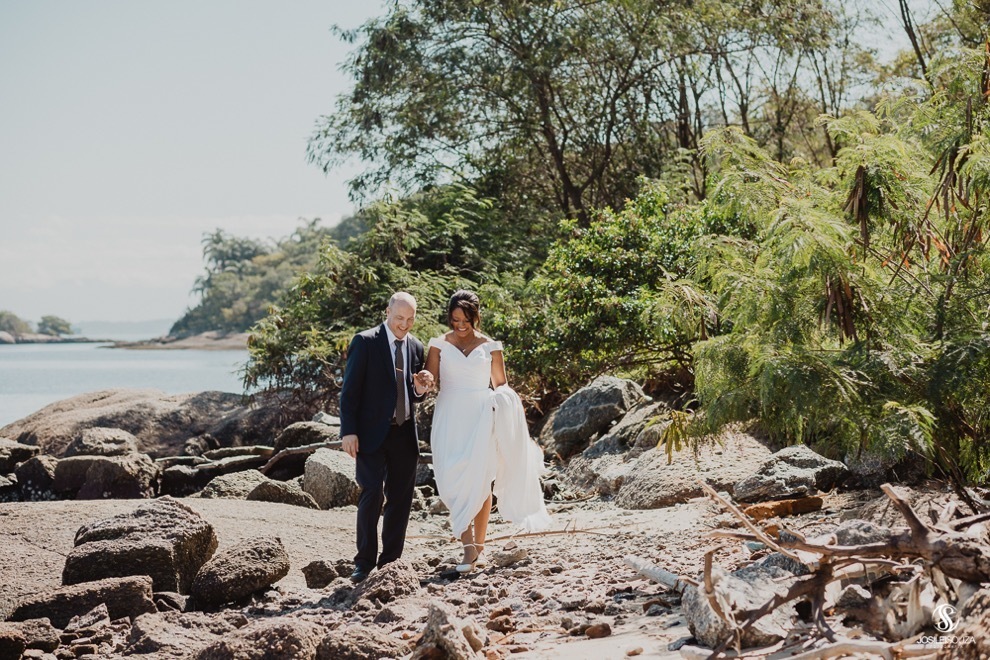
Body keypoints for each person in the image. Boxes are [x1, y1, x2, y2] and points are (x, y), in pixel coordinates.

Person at [424, 290, 551, 573]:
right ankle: (471, 547)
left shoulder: (491, 346)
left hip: (482, 417)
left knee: (482, 480)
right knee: (448, 478)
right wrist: (423, 381)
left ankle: (473, 550)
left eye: (466, 319)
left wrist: (507, 405)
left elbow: (500, 384)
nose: (460, 325)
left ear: (475, 316)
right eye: (455, 319)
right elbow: (431, 382)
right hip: (449, 415)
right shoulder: (438, 345)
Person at [339, 291, 434, 583]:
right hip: (369, 433)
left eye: (409, 319)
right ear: (387, 312)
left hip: (405, 433)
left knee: (401, 498)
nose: (403, 325)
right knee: (371, 493)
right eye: (399, 318)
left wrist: (421, 388)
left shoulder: (416, 347)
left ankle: (391, 561)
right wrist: (349, 431)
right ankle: (364, 562)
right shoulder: (365, 342)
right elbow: (350, 391)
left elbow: (413, 394)